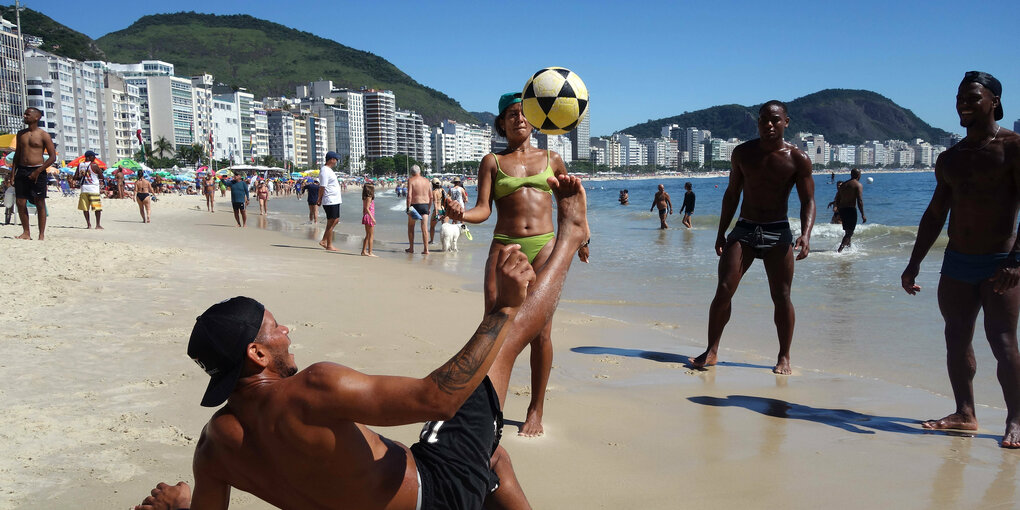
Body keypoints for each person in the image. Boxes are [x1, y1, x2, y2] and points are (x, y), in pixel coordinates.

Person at [133, 175, 590, 510]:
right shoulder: (313, 389)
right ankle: (571, 234)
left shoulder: (214, 445)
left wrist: (183, 503)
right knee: (504, 345)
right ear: (257, 354)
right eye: (275, 328)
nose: (287, 330)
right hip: (437, 492)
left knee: (492, 455)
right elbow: (438, 399)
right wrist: (504, 309)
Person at [444, 92, 590, 437]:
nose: (519, 119)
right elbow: (483, 209)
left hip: (545, 244)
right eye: (511, 114)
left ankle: (535, 409)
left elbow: (570, 205)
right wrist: (461, 214)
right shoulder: (492, 161)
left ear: (535, 120)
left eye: (524, 113)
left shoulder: (552, 158)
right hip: (505, 245)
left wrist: (583, 242)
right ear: (501, 123)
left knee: (541, 333)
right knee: (493, 327)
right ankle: (491, 410)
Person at [901, 71, 1020, 449]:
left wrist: (1017, 260)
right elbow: (936, 214)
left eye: (973, 97)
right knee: (956, 338)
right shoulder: (950, 158)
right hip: (956, 261)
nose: (963, 104)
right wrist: (914, 262)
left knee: (1002, 341)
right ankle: (965, 413)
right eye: (959, 98)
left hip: (1000, 261)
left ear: (994, 102)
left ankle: (1016, 419)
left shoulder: (1013, 148)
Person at [691, 100, 815, 375]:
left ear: (786, 122)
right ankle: (712, 350)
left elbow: (808, 200)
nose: (768, 125)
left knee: (781, 296)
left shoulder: (798, 158)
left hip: (778, 231)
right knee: (724, 288)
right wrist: (722, 231)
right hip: (745, 228)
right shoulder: (743, 153)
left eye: (774, 120)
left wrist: (806, 234)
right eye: (763, 120)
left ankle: (784, 356)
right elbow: (732, 194)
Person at [13, 107, 56, 240]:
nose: (25, 116)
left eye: (28, 114)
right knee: (20, 202)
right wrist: (12, 174)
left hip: (38, 170)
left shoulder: (43, 135)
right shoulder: (21, 134)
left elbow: (52, 157)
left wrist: (38, 171)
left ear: (36, 117)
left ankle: (41, 234)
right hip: (22, 169)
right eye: (25, 114)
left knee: (40, 202)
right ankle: (26, 232)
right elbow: (17, 155)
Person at [836, 168, 867, 252]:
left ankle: (849, 249)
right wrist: (863, 214)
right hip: (851, 210)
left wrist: (839, 210)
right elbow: (859, 200)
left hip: (842, 210)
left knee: (847, 231)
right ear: (858, 175)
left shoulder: (843, 185)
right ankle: (840, 250)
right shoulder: (858, 185)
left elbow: (837, 199)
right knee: (850, 233)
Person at [317, 151, 343, 251]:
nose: (336, 161)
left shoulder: (329, 170)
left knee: (335, 220)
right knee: (332, 221)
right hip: (329, 199)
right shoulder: (324, 170)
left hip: (334, 199)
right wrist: (319, 199)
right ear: (331, 159)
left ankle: (324, 240)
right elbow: (322, 186)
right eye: (336, 159)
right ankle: (328, 244)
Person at [405, 165, 432, 254]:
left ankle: (411, 248)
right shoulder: (427, 181)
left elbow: (409, 196)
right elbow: (431, 196)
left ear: (411, 173)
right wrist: (429, 208)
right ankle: (426, 249)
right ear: (419, 171)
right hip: (425, 205)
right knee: (424, 228)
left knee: (411, 227)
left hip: (415, 205)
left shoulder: (411, 180)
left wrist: (408, 208)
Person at [74, 150, 104, 230]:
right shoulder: (94, 165)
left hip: (84, 189)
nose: (95, 158)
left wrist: (82, 175)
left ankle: (88, 224)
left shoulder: (80, 165)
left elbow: (75, 177)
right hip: (93, 189)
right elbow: (101, 176)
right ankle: (98, 225)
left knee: (85, 208)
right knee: (97, 208)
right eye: (93, 156)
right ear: (89, 157)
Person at [429, 178, 448, 243]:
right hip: (443, 211)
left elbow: (435, 202)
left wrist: (436, 212)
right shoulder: (442, 190)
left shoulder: (434, 192)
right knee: (445, 228)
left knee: (432, 226)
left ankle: (431, 240)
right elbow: (447, 197)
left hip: (438, 211)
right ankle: (445, 241)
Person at [361, 180, 377, 257]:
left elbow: (364, 209)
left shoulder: (365, 197)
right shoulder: (369, 197)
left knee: (367, 235)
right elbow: (367, 208)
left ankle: (364, 251)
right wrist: (372, 218)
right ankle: (370, 252)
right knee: (371, 235)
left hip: (366, 216)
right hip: (369, 217)